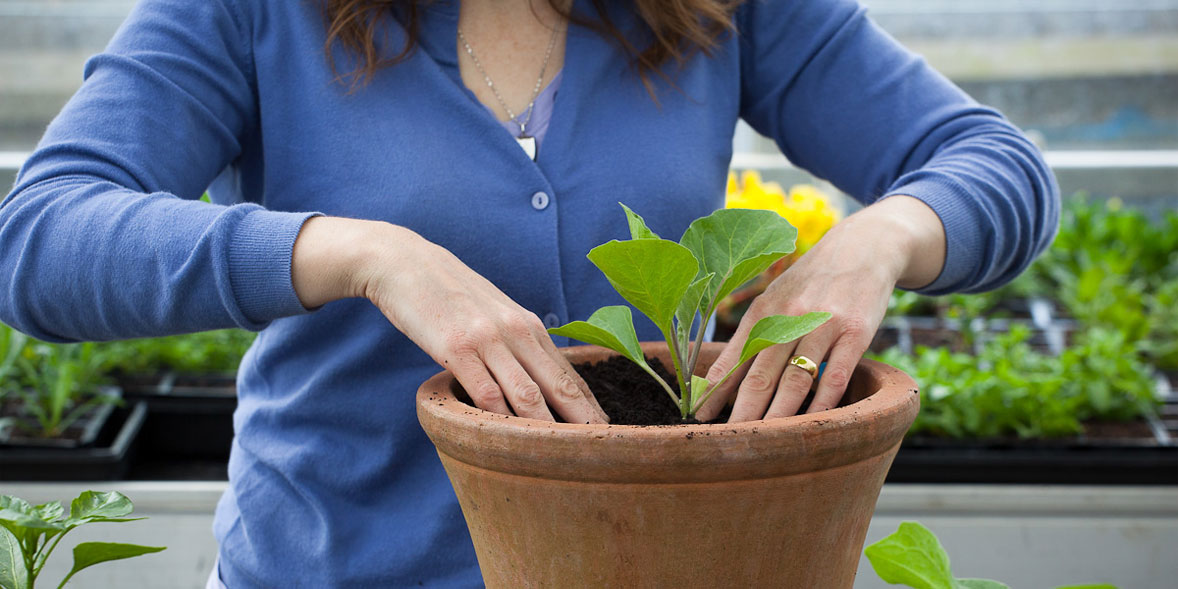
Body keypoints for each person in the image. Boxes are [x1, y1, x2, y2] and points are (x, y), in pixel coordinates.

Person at [0, 0, 1058, 585]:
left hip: (660, 567)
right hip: (337, 566)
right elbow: (39, 237)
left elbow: (993, 163)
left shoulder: (718, 12)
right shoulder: (251, 14)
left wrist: (879, 239)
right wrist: (357, 251)